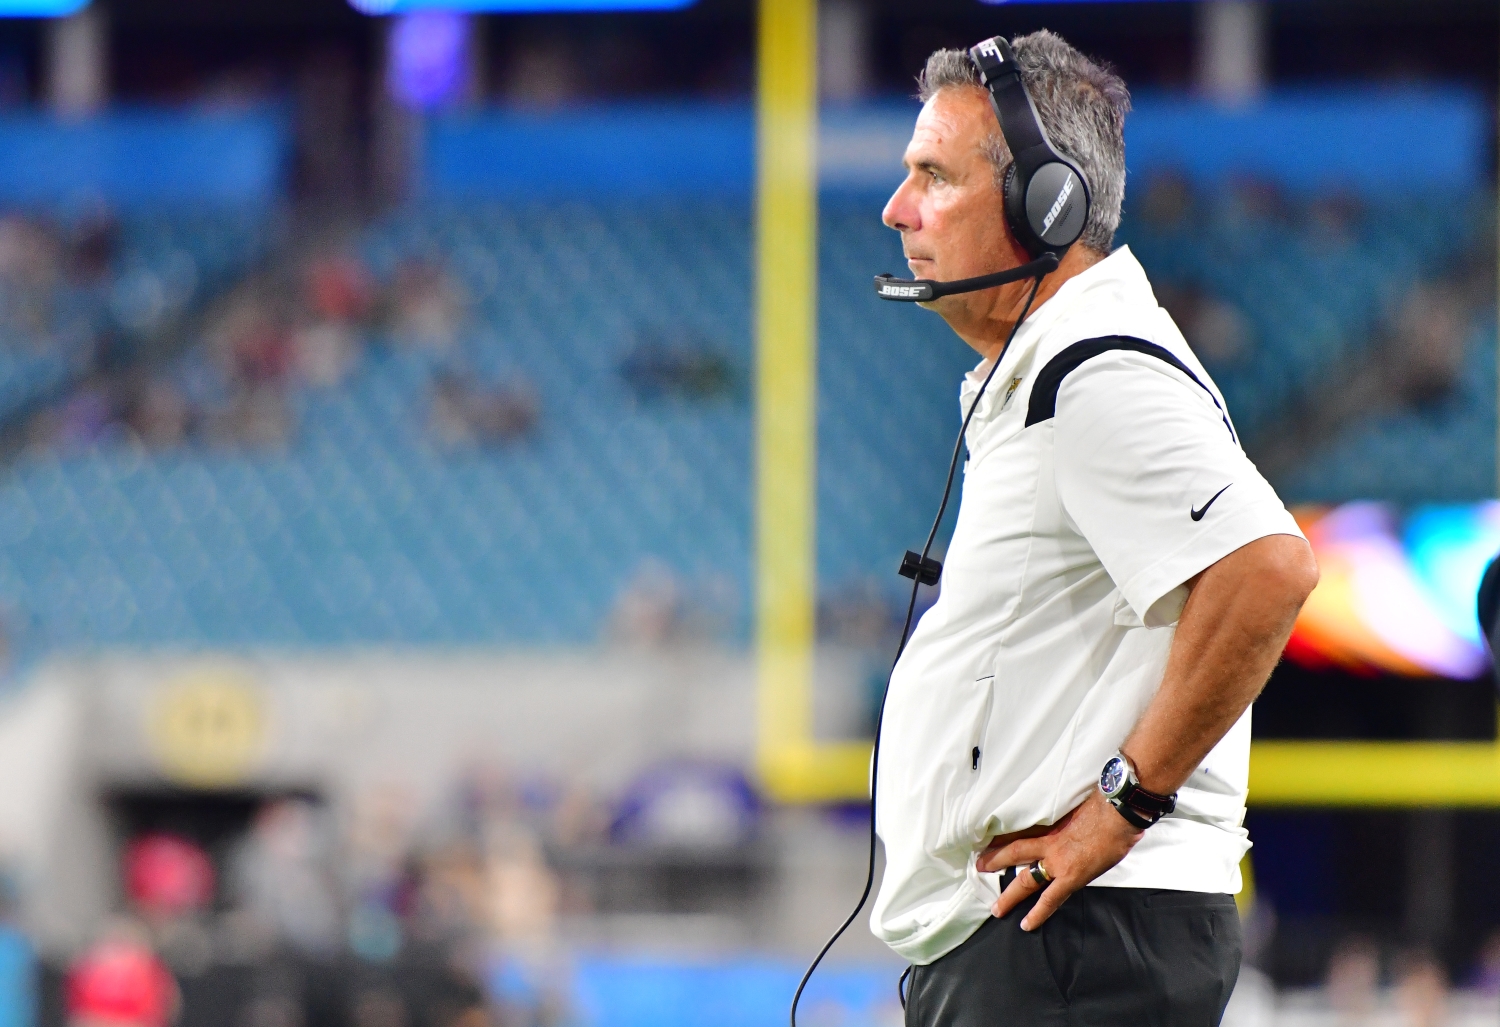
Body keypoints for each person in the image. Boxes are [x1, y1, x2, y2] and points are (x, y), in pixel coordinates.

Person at [870, 32, 1319, 1026]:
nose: (898, 209)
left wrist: (1121, 806)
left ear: (1048, 204)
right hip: (1065, 945)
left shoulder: (1095, 372)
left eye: (933, 176)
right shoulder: (1064, 367)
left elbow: (1267, 567)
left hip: (1080, 943)